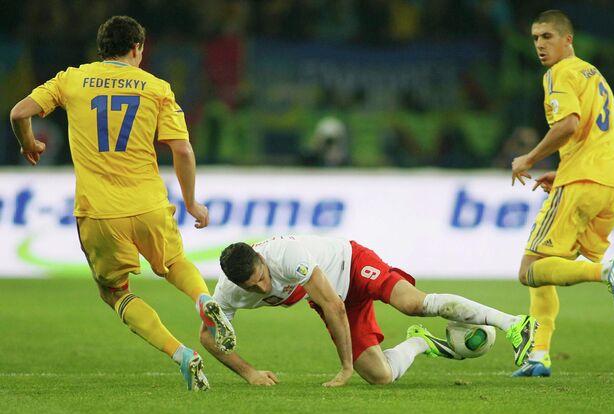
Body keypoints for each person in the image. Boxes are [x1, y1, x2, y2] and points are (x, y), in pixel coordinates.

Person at [9, 16, 236, 390]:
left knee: (115, 293)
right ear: (136, 49)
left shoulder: (71, 79)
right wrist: (192, 203)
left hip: (98, 212)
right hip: (147, 204)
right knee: (175, 262)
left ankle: (182, 355)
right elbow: (182, 149)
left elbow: (19, 113)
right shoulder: (156, 87)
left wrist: (28, 143)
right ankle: (203, 299)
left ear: (102, 48)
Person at [199, 235, 537, 387]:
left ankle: (513, 323)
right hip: (331, 299)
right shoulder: (228, 292)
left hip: (352, 264)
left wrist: (345, 368)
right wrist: (250, 372)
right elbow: (208, 337)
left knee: (412, 304)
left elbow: (333, 305)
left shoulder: (285, 254)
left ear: (262, 261)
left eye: (262, 278)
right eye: (251, 287)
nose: (261, 289)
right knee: (380, 376)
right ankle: (422, 343)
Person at [510, 10, 614, 377]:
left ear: (568, 39)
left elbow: (569, 124)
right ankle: (539, 355)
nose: (539, 45)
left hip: (582, 184)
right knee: (545, 263)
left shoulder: (558, 74)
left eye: (547, 37)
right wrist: (564, 167)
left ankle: (606, 272)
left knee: (529, 270)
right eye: (535, 38)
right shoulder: (596, 77)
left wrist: (530, 158)